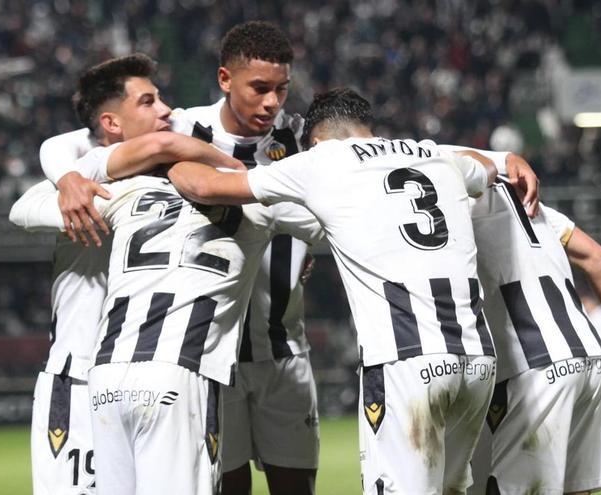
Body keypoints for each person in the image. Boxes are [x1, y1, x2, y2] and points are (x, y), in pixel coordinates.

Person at [164, 87, 503, 495]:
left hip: (406, 360)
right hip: (476, 359)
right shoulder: (433, 152)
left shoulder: (324, 159)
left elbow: (207, 187)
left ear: (318, 139)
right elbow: (486, 168)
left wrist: (170, 163)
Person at [39, 21, 324, 495]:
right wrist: (69, 178)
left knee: (295, 487)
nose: (272, 103)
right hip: (209, 355)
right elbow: (64, 144)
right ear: (225, 79)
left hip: (282, 350)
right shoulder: (185, 127)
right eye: (259, 89)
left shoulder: (301, 138)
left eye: (282, 89)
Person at [19, 53, 245, 495]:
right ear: (112, 123)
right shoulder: (86, 179)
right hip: (79, 373)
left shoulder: (158, 174)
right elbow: (34, 184)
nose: (165, 111)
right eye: (148, 102)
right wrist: (68, 179)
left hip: (150, 369)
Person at [466, 177, 601, 495]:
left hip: (534, 366)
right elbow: (598, 258)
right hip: (591, 361)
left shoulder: (457, 210)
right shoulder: (538, 213)